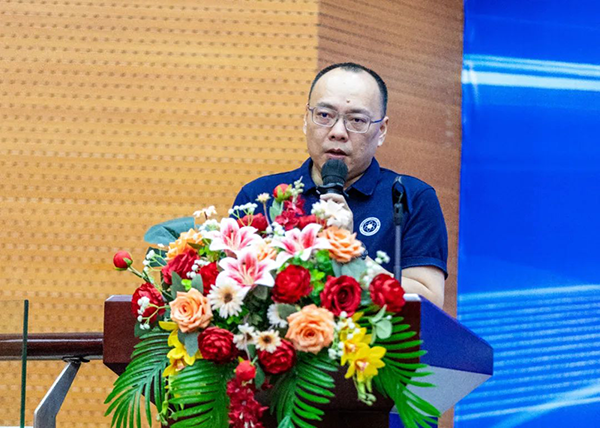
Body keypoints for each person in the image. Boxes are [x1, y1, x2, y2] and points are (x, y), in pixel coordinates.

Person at [232, 62, 448, 308]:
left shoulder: (409, 197)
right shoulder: (259, 197)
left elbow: (428, 303)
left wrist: (352, 252)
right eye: (324, 115)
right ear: (306, 119)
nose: (338, 132)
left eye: (356, 120)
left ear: (381, 130)